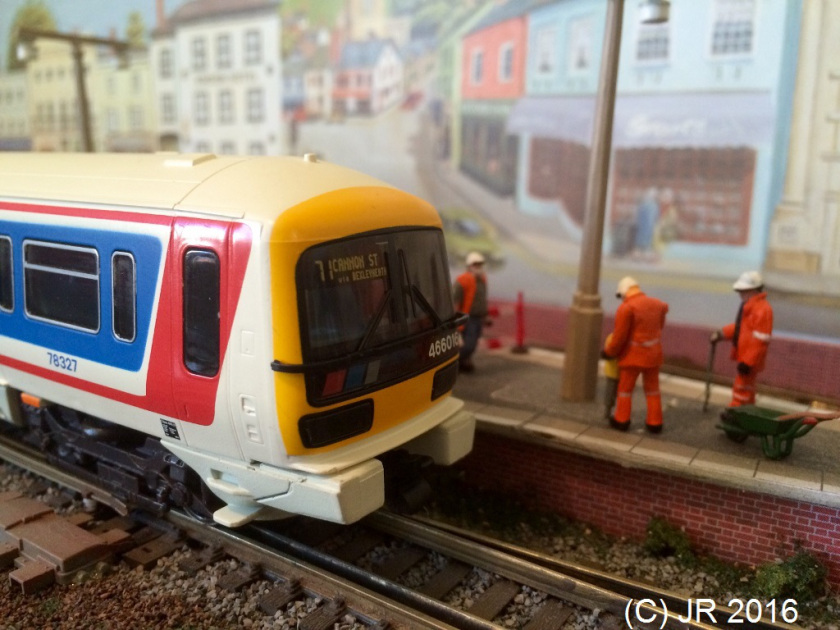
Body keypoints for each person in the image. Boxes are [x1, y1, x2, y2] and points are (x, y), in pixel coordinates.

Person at [602, 276, 669, 433]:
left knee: (625, 390)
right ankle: (655, 422)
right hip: (653, 356)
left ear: (624, 292)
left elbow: (619, 337)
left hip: (632, 357)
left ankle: (622, 420)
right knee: (653, 390)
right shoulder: (657, 304)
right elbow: (660, 326)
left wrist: (609, 352)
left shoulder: (626, 308)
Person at [711, 271, 773, 408]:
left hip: (750, 360)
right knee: (747, 387)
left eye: (743, 291)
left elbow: (760, 341)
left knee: (742, 386)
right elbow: (741, 328)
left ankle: (737, 410)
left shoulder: (762, 310)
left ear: (753, 290)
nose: (740, 294)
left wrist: (748, 362)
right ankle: (747, 410)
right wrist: (722, 333)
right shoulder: (751, 307)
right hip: (746, 357)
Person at [453, 251, 488, 373]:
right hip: (468, 318)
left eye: (480, 264)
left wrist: (485, 315)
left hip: (478, 318)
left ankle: (463, 362)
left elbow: (482, 298)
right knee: (468, 345)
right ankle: (455, 363)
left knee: (473, 343)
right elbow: (454, 299)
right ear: (469, 265)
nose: (478, 267)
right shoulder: (463, 280)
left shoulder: (482, 279)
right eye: (475, 264)